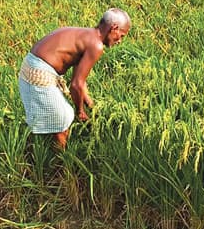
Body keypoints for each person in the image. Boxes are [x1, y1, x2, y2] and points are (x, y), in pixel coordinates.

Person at [18, 8, 131, 150]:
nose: (120, 41)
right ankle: (60, 160)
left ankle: (42, 147)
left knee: (57, 115)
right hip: (38, 74)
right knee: (64, 117)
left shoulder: (87, 35)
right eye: (121, 35)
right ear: (114, 28)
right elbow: (76, 85)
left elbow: (80, 82)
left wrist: (92, 108)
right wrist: (79, 111)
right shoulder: (96, 45)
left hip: (30, 66)